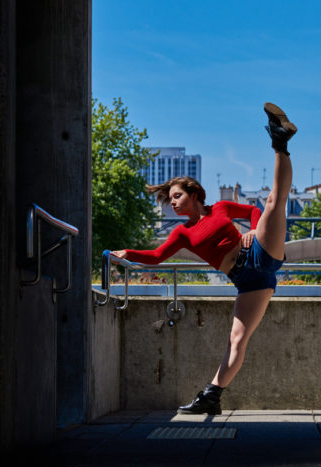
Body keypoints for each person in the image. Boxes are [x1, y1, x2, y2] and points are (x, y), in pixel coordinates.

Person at [111, 102, 297, 414]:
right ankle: (212, 396)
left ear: (195, 193)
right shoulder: (181, 234)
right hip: (249, 279)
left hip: (259, 252)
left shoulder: (221, 208)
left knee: (273, 203)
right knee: (237, 341)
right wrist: (128, 253)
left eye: (177, 196)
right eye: (169, 199)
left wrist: (252, 230)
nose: (172, 203)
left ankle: (280, 141)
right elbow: (156, 257)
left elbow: (254, 211)